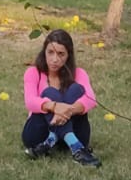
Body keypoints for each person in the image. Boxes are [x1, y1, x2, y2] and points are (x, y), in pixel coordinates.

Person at [22, 29, 101, 167]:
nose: (54, 59)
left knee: (76, 89)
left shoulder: (79, 73)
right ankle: (76, 148)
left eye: (61, 54)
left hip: (76, 131)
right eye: (50, 52)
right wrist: (54, 106)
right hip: (38, 135)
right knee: (50, 93)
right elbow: (30, 102)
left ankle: (51, 141)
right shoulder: (33, 72)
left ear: (68, 56)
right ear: (44, 52)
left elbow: (91, 99)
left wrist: (67, 110)